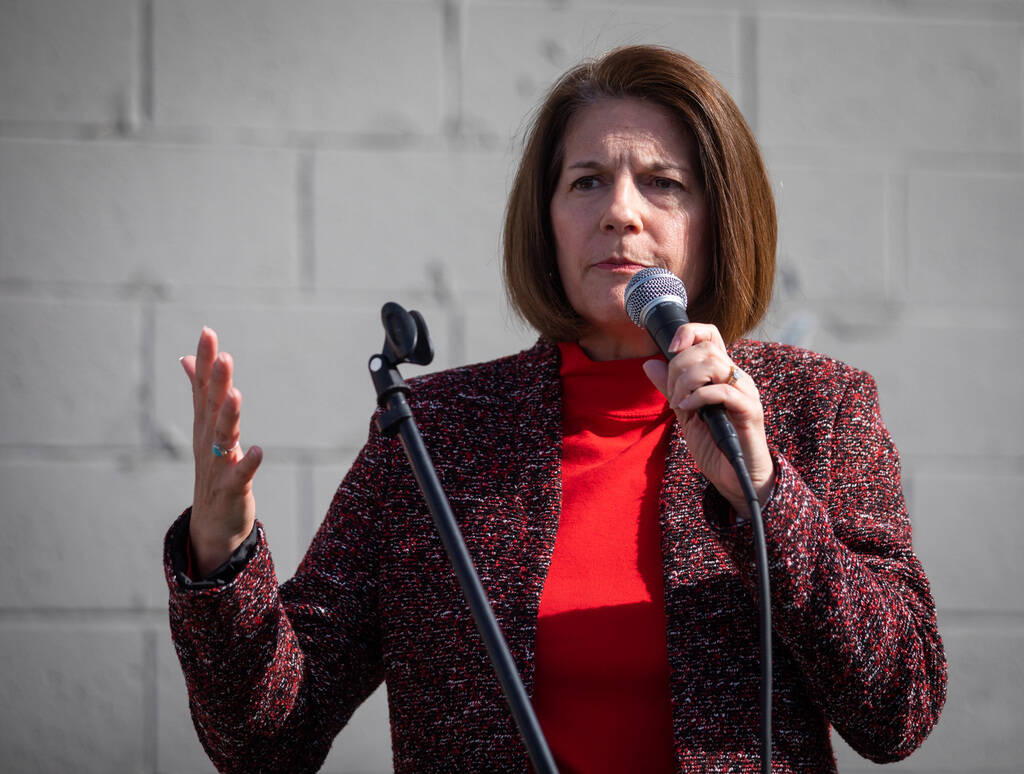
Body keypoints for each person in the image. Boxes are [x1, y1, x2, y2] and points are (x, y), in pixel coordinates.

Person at [166, 45, 947, 773]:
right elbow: (267, 738)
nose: (621, 212)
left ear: (719, 218)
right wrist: (221, 555)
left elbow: (898, 709)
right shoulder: (437, 430)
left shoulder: (818, 407)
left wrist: (765, 495)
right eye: (586, 182)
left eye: (663, 183)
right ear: (546, 220)